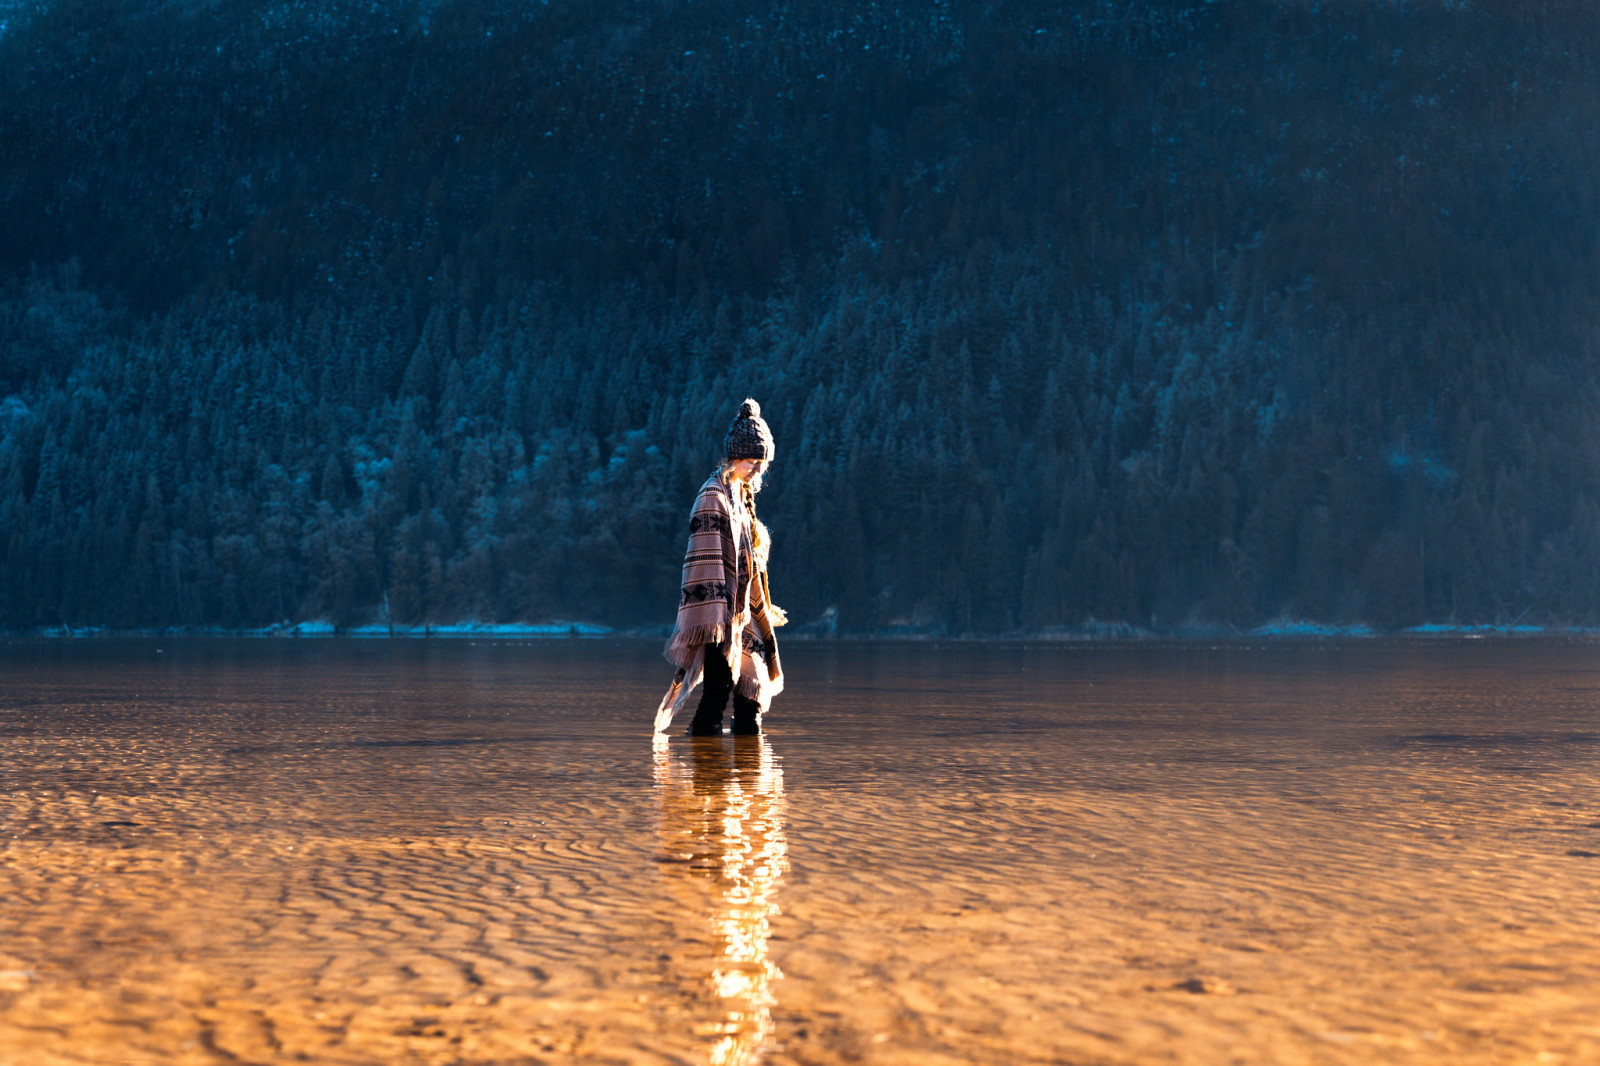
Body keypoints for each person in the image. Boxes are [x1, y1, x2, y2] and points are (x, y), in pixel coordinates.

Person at [655, 398, 785, 736]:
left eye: (762, 463)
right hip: (715, 616)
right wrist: (717, 614)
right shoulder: (712, 494)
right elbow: (705, 561)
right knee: (716, 693)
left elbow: (747, 565)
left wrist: (762, 609)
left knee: (750, 698)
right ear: (733, 458)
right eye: (751, 461)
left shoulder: (740, 495)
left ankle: (744, 776)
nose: (757, 469)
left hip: (740, 617)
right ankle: (705, 776)